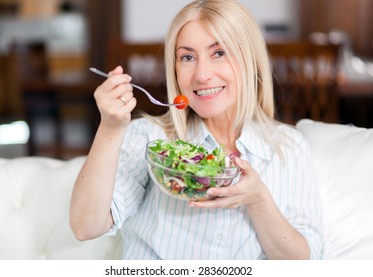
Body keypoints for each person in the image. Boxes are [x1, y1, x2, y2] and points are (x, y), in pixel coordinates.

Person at [70, 0, 323, 260]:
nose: (202, 75)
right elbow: (85, 226)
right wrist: (110, 128)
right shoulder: (148, 138)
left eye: (219, 53)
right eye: (187, 57)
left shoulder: (289, 148)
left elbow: (305, 263)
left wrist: (258, 201)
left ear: (251, 60)